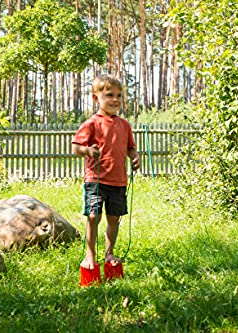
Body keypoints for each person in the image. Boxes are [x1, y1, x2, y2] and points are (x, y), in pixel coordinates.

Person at [72, 74, 141, 273]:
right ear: (96, 98)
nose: (115, 100)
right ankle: (90, 254)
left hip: (118, 181)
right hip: (96, 179)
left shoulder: (124, 125)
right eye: (109, 95)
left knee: (114, 218)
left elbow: (130, 148)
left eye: (119, 95)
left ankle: (109, 253)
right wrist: (88, 151)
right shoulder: (91, 123)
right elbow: (76, 147)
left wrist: (135, 157)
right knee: (93, 216)